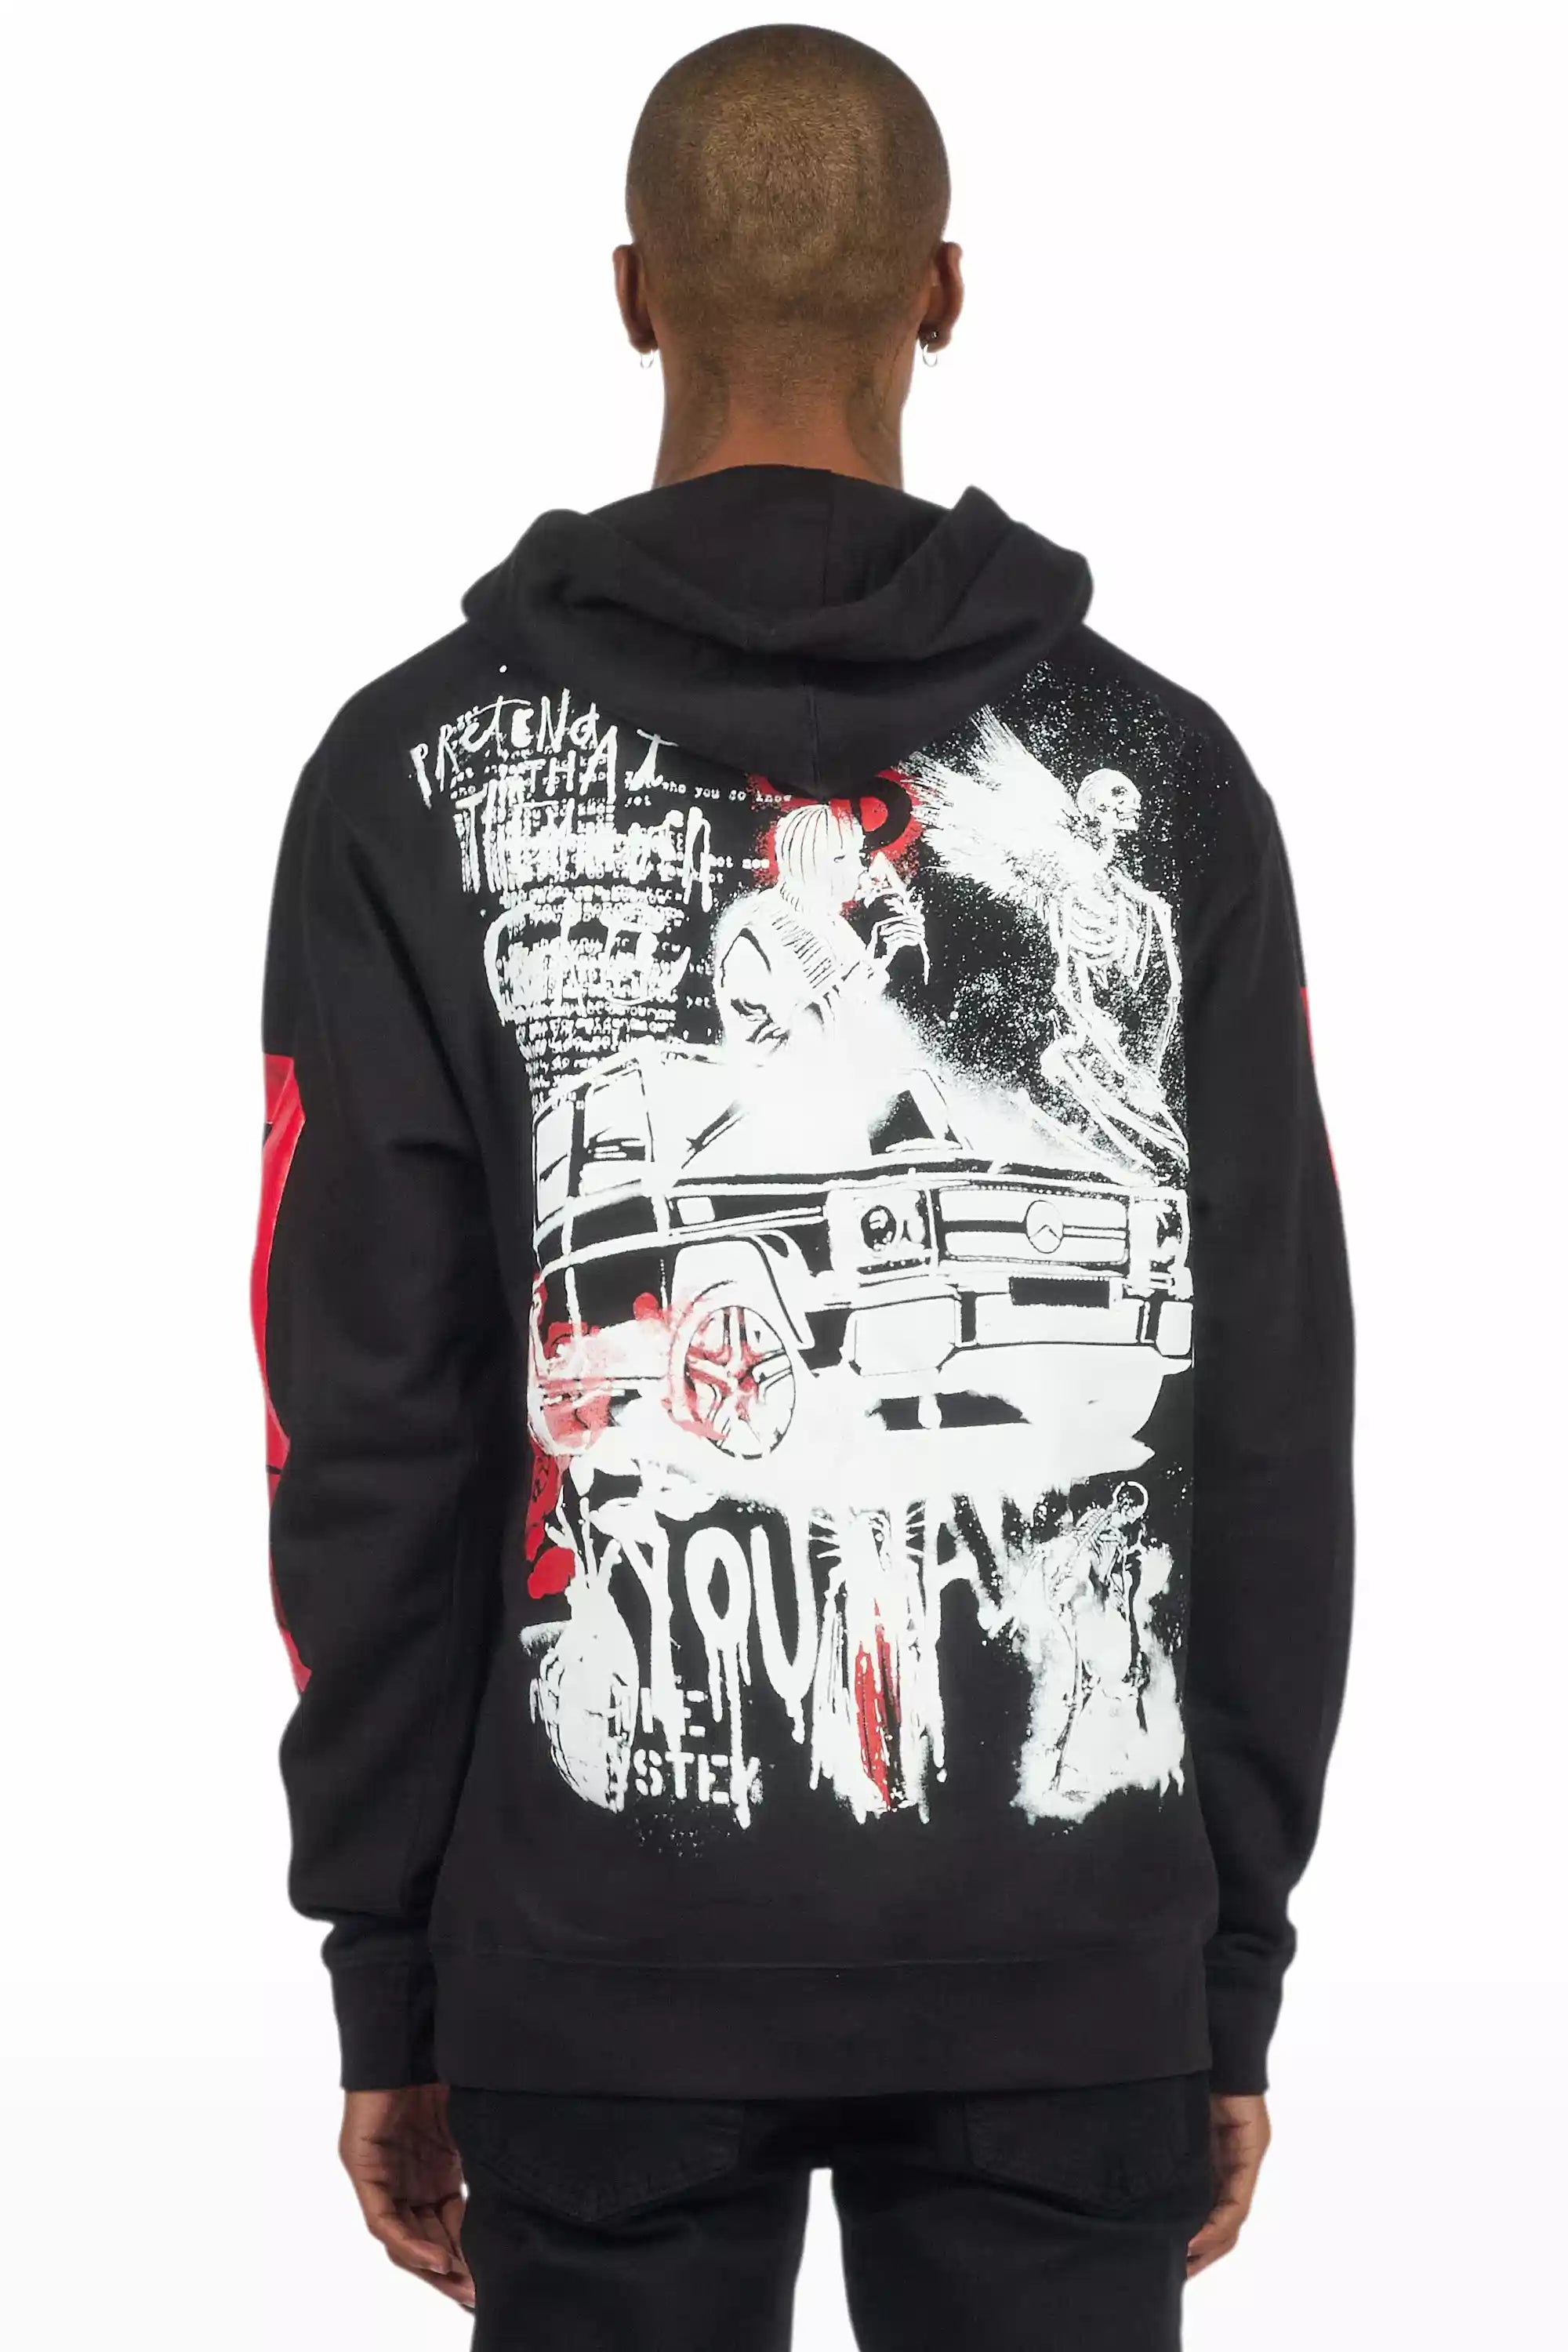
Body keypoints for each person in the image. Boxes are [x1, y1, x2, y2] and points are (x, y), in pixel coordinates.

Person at [254, 24, 1353, 2350]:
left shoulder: (408, 774)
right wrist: (1223, 1957)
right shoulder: (1167, 776)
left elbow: (364, 1421)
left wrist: (393, 1960)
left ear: (633, 292)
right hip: (1075, 1949)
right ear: (940, 292)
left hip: (590, 1959)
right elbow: (1268, 1405)